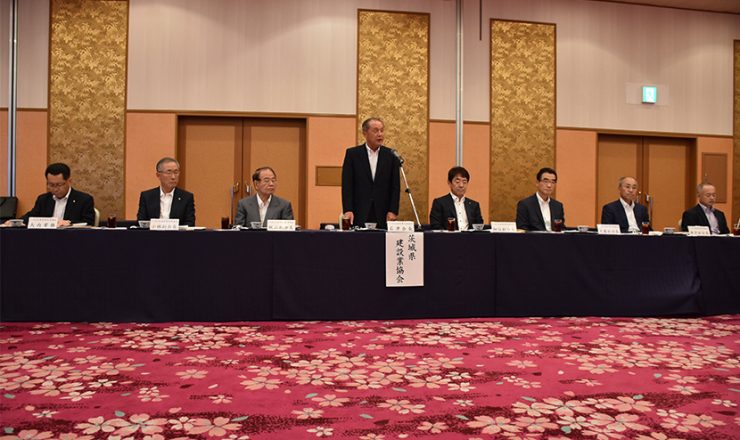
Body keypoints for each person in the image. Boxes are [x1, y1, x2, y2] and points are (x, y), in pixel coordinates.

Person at [341, 117, 400, 229]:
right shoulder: (353, 154)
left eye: (382, 130)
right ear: (365, 133)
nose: (380, 134)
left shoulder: (391, 155)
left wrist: (393, 210)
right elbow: (347, 185)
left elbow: (395, 186)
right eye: (375, 130)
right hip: (359, 211)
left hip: (383, 212)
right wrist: (348, 209)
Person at [8, 163, 95, 227]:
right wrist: (15, 222)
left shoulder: (84, 200)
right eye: (51, 185)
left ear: (69, 181)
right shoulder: (43, 199)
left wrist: (69, 223)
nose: (55, 189)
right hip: (46, 239)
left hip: (72, 239)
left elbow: (88, 223)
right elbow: (31, 216)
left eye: (59, 185)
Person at [137, 157, 196, 226]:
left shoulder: (186, 197)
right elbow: (141, 222)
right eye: (169, 172)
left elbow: (190, 223)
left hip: (177, 233)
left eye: (176, 172)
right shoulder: (147, 196)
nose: (173, 177)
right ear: (158, 175)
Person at [429, 166, 484, 230]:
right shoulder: (439, 203)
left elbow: (479, 226)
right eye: (457, 182)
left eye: (464, 182)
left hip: (469, 236)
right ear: (449, 183)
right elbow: (435, 226)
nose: (461, 185)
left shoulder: (474, 205)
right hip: (448, 236)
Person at [516, 167, 565, 231]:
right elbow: (522, 229)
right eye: (545, 181)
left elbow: (561, 229)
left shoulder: (558, 206)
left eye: (553, 182)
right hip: (534, 237)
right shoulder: (525, 205)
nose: (549, 185)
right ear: (537, 183)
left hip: (554, 237)